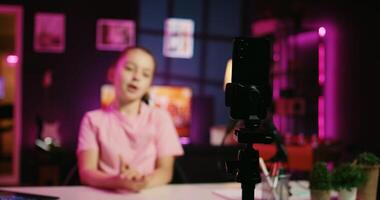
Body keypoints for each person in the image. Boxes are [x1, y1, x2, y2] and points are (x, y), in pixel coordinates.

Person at [76, 46, 184, 192]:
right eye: (129, 68)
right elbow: (86, 173)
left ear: (149, 86)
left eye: (145, 74)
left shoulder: (160, 117)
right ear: (112, 73)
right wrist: (117, 181)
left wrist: (142, 181)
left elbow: (166, 171)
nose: (137, 77)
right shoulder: (92, 120)